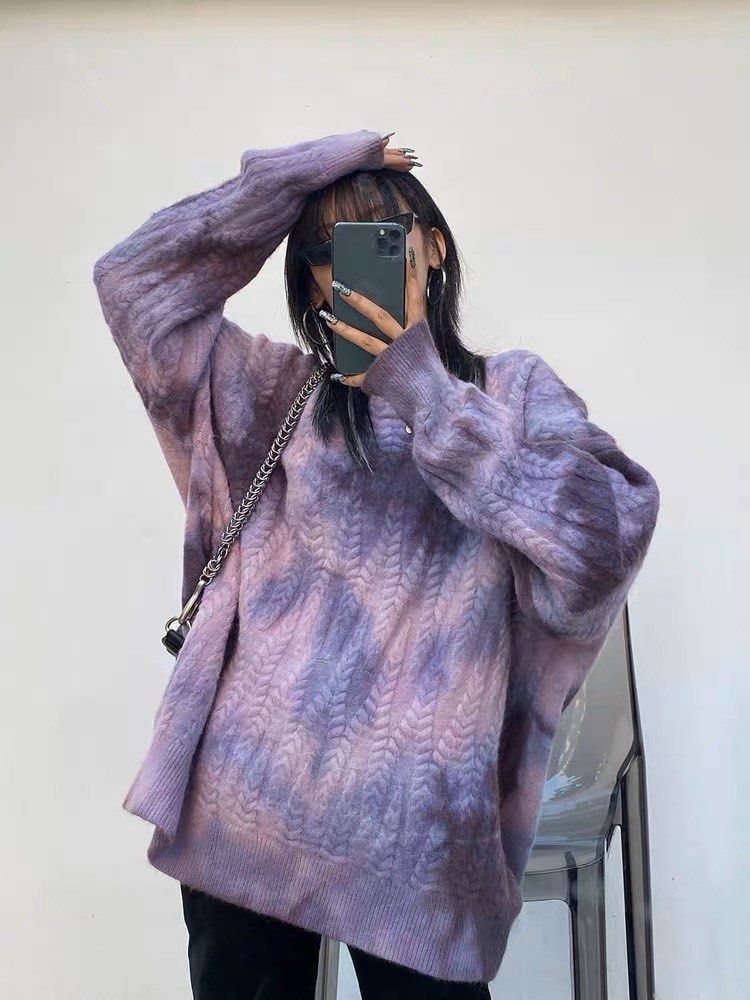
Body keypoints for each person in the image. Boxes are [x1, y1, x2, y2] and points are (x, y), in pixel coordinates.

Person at [92, 128, 660, 999]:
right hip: (252, 813)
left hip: (420, 841)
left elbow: (604, 543)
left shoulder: (509, 394)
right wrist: (293, 178)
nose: (350, 266)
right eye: (325, 251)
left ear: (432, 250)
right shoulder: (270, 396)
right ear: (308, 280)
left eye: (381, 238)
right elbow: (132, 283)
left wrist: (424, 392)